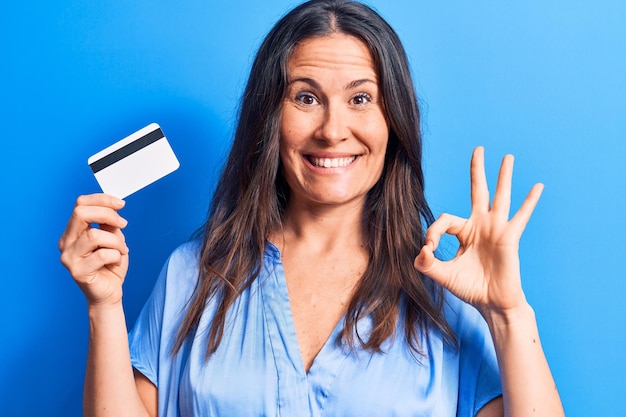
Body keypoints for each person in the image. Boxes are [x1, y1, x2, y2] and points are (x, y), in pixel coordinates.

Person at [59, 0, 565, 416]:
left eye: (361, 99)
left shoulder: (447, 291)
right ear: (268, 119)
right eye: (305, 98)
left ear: (395, 121)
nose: (331, 129)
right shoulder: (193, 275)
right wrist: (103, 307)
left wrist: (509, 315)